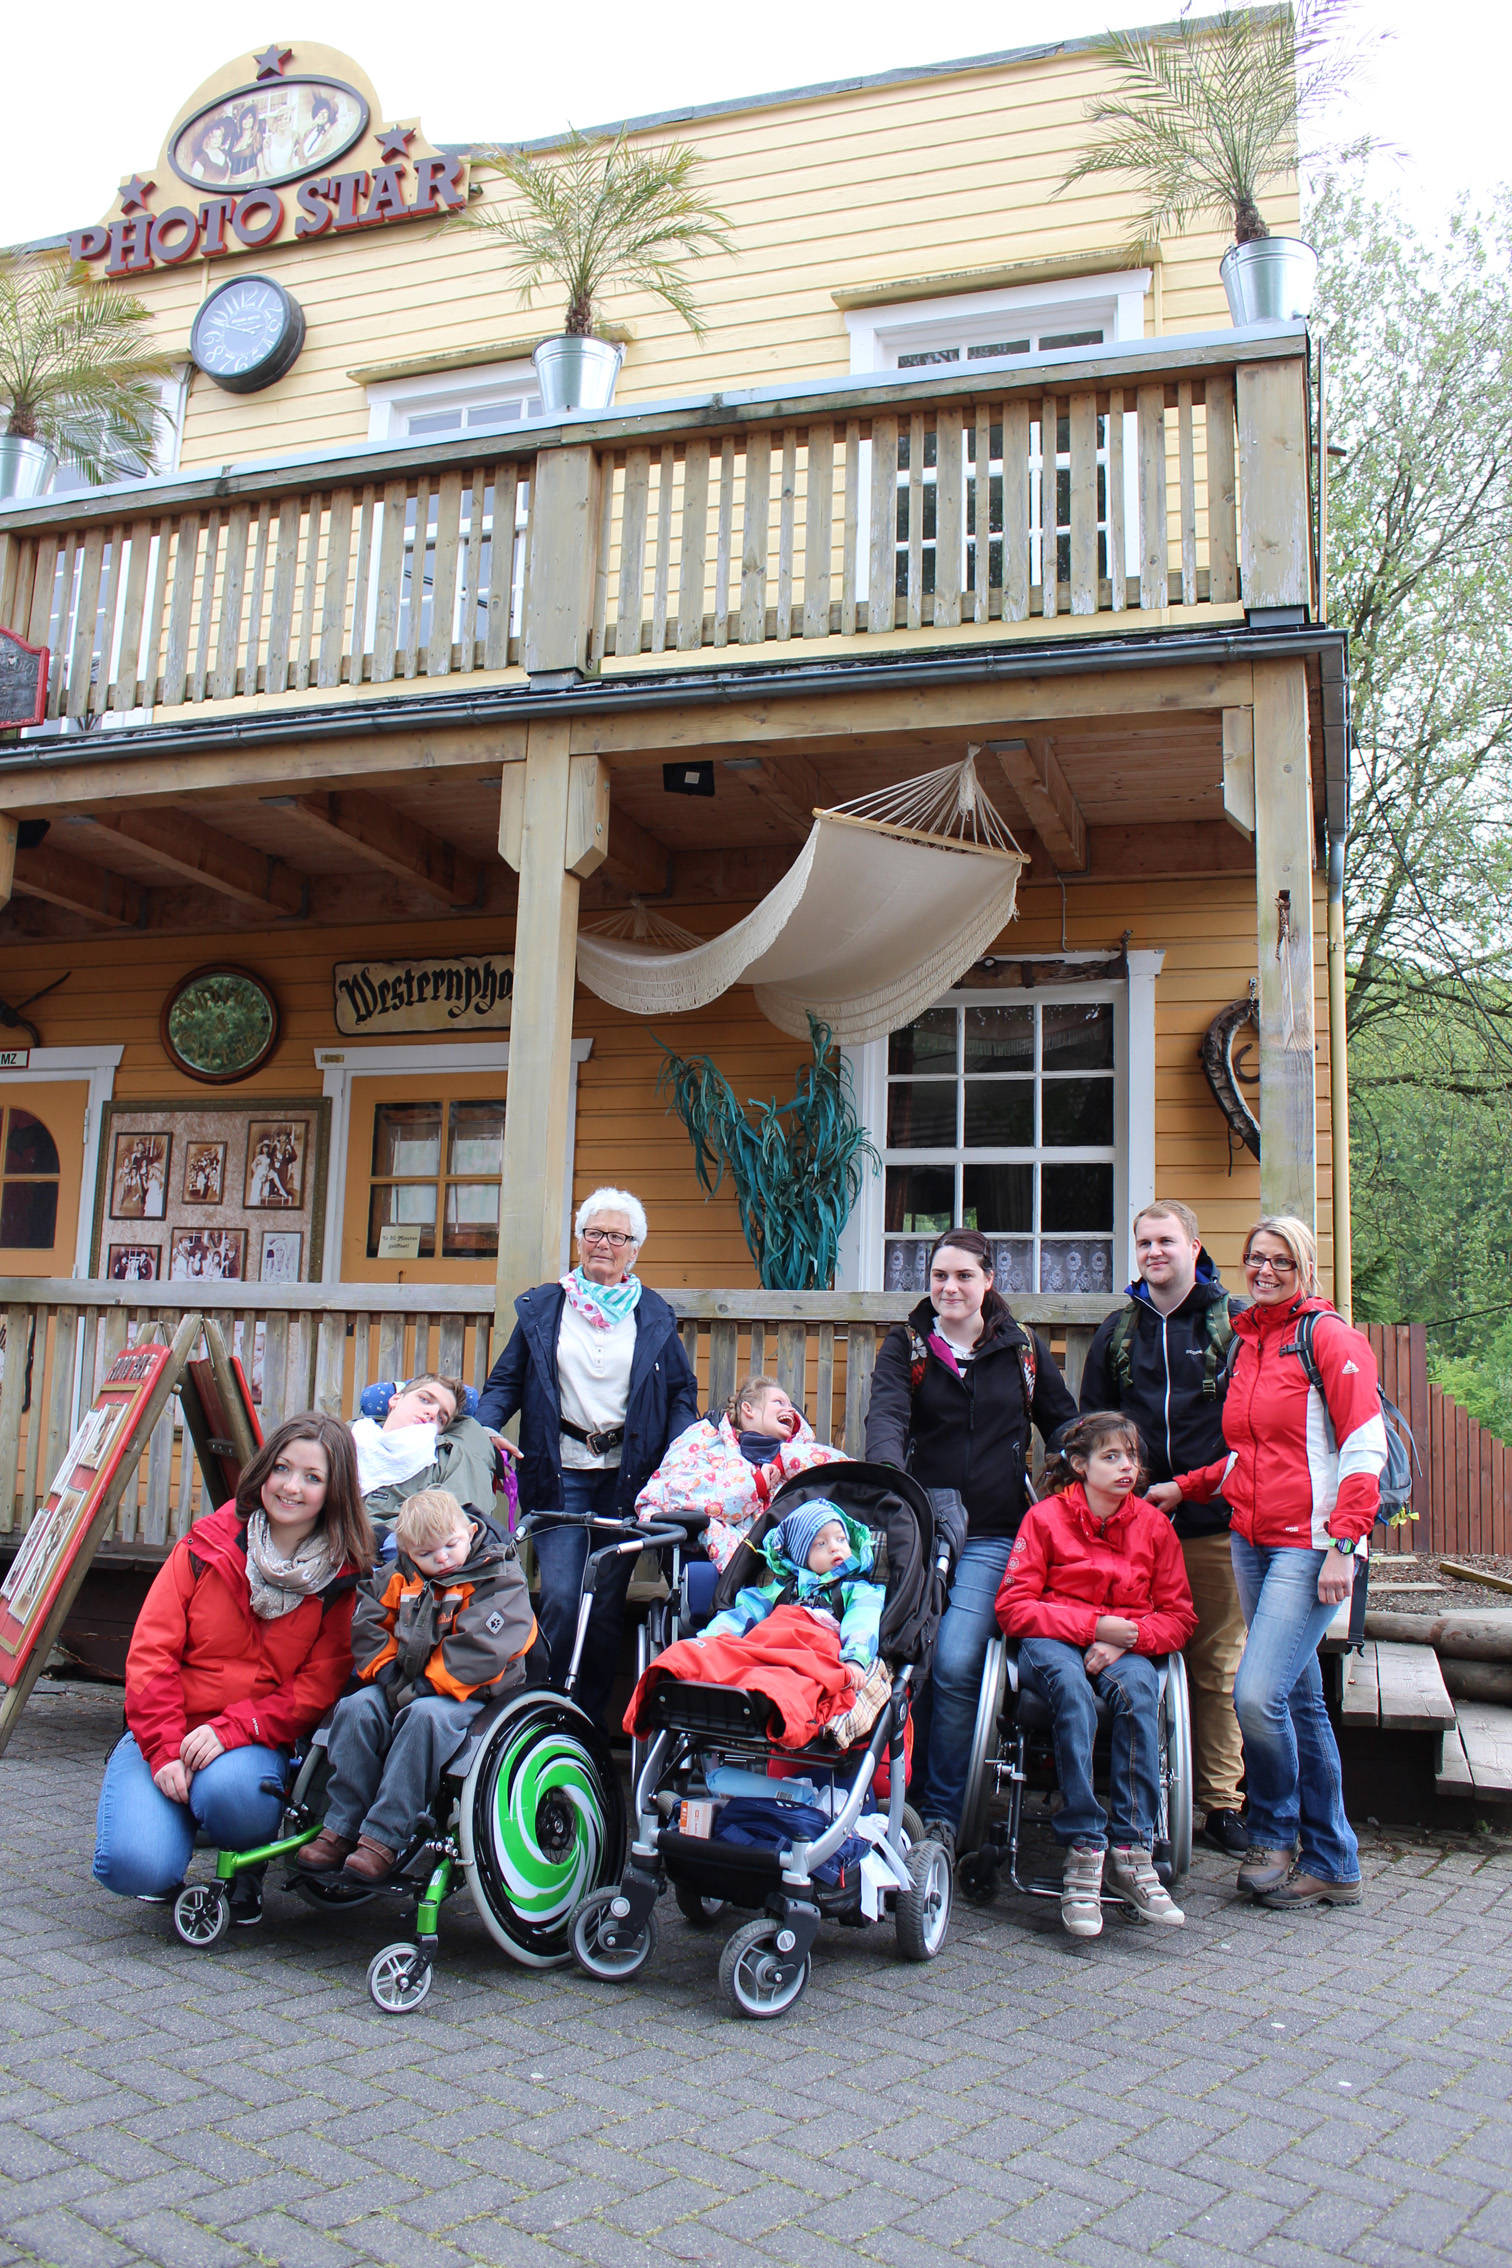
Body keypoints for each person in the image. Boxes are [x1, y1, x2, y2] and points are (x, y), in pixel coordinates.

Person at [1149, 1216, 1384, 1909]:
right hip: (1250, 1539)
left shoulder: (1328, 1338)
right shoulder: (1249, 1340)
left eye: (1281, 1260)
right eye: (1255, 1258)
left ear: (1304, 1267)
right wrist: (1186, 1487)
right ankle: (1334, 1859)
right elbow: (1251, 1455)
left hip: (1310, 1545)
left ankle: (1276, 1832)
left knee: (1255, 1695)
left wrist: (1345, 1546)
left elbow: (1363, 1449)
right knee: (1297, 1700)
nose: (1265, 1271)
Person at [92, 1416, 373, 1923]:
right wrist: (164, 1749)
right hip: (165, 1730)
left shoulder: (341, 1580)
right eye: (282, 1468)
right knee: (133, 1867)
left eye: (312, 1477)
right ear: (264, 1470)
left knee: (233, 1796)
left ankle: (243, 1867)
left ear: (334, 1492)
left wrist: (231, 1730)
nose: (291, 1486)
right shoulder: (205, 1546)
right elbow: (152, 1654)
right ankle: (168, 1836)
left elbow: (316, 1689)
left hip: (250, 1741)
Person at [866, 1226, 1078, 1859]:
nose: (950, 1287)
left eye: (964, 1276)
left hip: (992, 1532)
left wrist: (1091, 1467)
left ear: (989, 1281)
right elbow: (887, 1418)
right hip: (921, 1531)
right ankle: (891, 1803)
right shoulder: (906, 1346)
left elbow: (1064, 1424)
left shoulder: (1022, 1350)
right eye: (940, 1276)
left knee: (957, 1661)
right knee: (901, 1656)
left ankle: (943, 1817)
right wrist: (888, 1479)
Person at [476, 1186, 699, 1728]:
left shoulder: (653, 1314)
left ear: (634, 1250)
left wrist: (679, 1454)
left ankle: (586, 1726)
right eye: (594, 1232)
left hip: (625, 1479)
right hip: (559, 1473)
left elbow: (680, 1393)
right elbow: (505, 1382)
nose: (604, 1244)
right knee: (559, 1597)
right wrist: (483, 1428)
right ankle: (545, 1713)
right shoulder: (544, 1307)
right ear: (579, 1240)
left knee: (602, 1605)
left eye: (617, 1236)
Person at [1077, 1199, 1250, 1856]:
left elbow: (1253, 1429)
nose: (1154, 1252)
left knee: (1217, 1666)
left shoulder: (1233, 1324)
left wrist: (1193, 1488)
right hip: (1133, 1528)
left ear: (1194, 1247)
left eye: (1166, 1241)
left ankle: (1222, 1803)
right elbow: (1092, 1428)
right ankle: (1126, 1794)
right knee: (1127, 1659)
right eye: (1144, 1242)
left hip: (1214, 1523)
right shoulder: (1119, 1333)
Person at [997, 1410, 1197, 1937]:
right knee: (1071, 1691)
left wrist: (1126, 1637)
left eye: (1131, 1456)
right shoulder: (1045, 1519)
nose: (1127, 1466)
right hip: (1054, 1639)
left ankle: (1131, 1851)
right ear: (1080, 1465)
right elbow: (1014, 1607)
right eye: (1111, 1456)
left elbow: (1179, 1617)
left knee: (1139, 1691)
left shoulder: (1154, 1527)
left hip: (1126, 1642)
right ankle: (1085, 1848)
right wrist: (1093, 1627)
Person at [298, 1489, 536, 1884]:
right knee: (355, 1708)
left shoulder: (499, 1577)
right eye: (427, 1553)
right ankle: (343, 1824)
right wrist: (387, 1673)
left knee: (424, 1718)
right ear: (409, 1551)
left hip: (476, 1693)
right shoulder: (398, 1577)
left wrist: (422, 1686)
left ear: (469, 1531)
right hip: (406, 1683)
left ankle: (384, 1836)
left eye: (451, 1545)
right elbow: (369, 1623)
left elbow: (481, 1649)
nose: (442, 1558)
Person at [624, 1499, 889, 1751]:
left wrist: (855, 1658)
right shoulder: (781, 1590)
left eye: (841, 1539)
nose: (834, 1547)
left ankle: (766, 1703)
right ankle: (679, 1680)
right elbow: (742, 1615)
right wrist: (712, 1638)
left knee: (794, 1682)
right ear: (800, 1556)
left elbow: (862, 1622)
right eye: (820, 1543)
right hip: (765, 1647)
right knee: (698, 1651)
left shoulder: (856, 1590)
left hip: (808, 1655)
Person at [634, 1372, 847, 1570]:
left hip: (799, 1565)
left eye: (791, 1406)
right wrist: (755, 1485)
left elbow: (847, 1470)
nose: (790, 1410)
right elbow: (666, 1493)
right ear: (748, 1409)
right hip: (732, 1566)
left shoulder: (806, 1452)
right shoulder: (705, 1441)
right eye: (778, 1402)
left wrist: (785, 1460)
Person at [351, 1372, 502, 1535]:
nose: (432, 1413)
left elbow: (451, 1531)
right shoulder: (347, 1438)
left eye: (441, 1418)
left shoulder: (444, 1460)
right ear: (396, 1399)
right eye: (425, 1400)